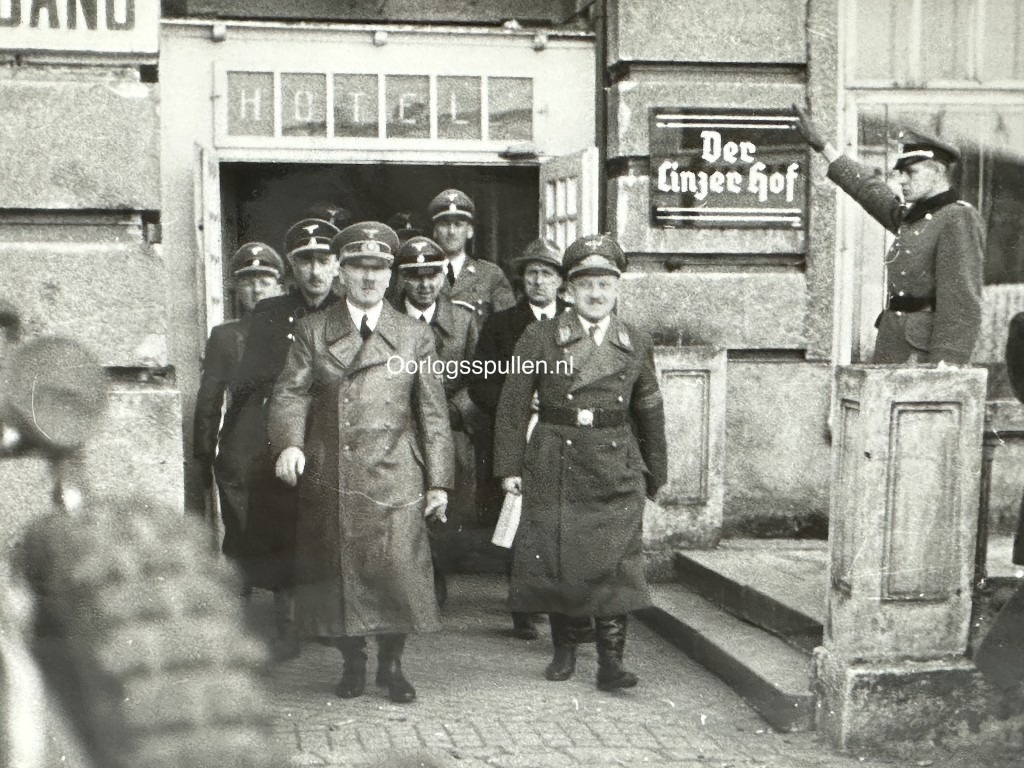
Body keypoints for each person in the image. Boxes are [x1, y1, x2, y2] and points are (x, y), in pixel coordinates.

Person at [268, 222, 454, 704]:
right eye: (358, 267)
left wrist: (439, 482)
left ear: (390, 275)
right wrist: (289, 444)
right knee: (339, 575)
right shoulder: (313, 330)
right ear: (341, 273)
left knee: (397, 573)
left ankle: (392, 665)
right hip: (335, 472)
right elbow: (291, 393)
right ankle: (353, 662)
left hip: (396, 475)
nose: (369, 278)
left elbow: (432, 413)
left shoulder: (414, 335)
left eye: (378, 268)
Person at [493, 234, 667, 691]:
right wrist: (509, 467)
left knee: (616, 561)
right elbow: (513, 403)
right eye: (586, 284)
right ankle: (565, 650)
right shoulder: (540, 336)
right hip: (555, 456)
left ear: (617, 289)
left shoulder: (635, 340)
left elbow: (649, 409)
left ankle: (611, 662)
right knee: (560, 558)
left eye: (605, 284)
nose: (596, 293)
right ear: (569, 290)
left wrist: (655, 470)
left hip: (616, 462)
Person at [228, 218, 341, 660]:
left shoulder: (349, 312)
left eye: (323, 260)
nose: (314, 271)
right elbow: (249, 382)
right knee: (283, 530)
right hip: (280, 434)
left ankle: (326, 619)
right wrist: (242, 441)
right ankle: (286, 625)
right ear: (292, 267)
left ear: (336, 265)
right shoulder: (272, 313)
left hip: (333, 436)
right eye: (305, 261)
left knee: (330, 529)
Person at [794, 104, 984, 365]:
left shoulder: (957, 217)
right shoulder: (915, 217)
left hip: (924, 356)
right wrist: (824, 147)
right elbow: (869, 190)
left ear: (938, 171)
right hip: (894, 346)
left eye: (911, 172)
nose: (901, 180)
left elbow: (961, 303)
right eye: (901, 173)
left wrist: (948, 364)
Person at [469, 238, 571, 640]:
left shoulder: (576, 323)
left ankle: (555, 599)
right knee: (518, 516)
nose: (538, 281)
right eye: (532, 273)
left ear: (561, 282)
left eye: (547, 273)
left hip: (564, 434)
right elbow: (479, 383)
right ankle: (523, 606)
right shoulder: (501, 326)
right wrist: (518, 402)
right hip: (519, 432)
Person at [392, 235, 481, 608]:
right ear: (402, 279)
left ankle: (437, 572)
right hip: (398, 431)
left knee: (449, 509)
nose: (425, 284)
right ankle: (410, 579)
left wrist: (455, 411)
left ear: (444, 275)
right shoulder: (386, 319)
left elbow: (481, 379)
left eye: (432, 275)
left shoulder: (463, 320)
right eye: (415, 277)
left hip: (450, 429)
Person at [193, 243, 285, 570]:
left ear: (280, 287)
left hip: (286, 444)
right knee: (241, 536)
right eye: (247, 281)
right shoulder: (225, 336)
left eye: (264, 281)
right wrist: (205, 453)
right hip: (241, 449)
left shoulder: (299, 332)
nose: (256, 289)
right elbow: (210, 397)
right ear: (236, 288)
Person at [428, 188, 515, 322]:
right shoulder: (422, 274)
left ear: (470, 231)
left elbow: (508, 325)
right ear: (435, 231)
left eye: (458, 225)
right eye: (445, 224)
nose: (451, 232)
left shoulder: (491, 275)